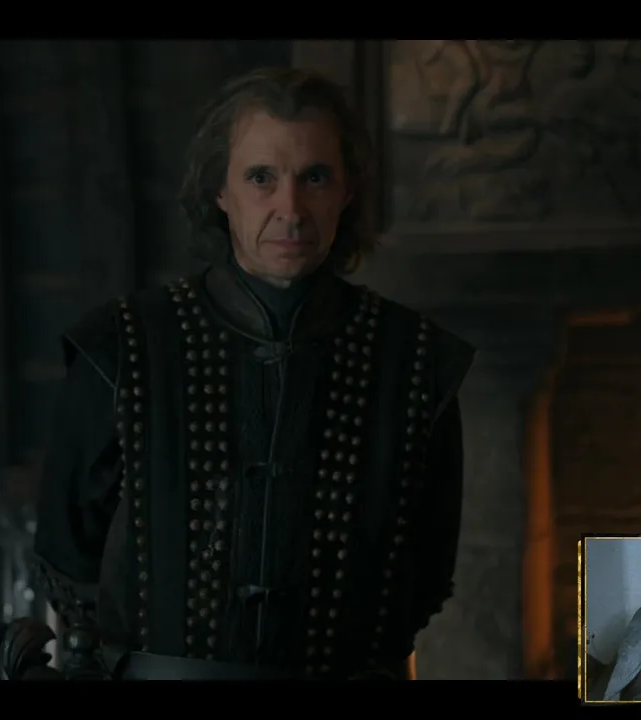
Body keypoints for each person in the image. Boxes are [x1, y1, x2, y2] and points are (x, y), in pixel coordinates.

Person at [30, 67, 475, 680]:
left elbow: (428, 565)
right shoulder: (123, 346)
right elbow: (67, 552)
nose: (289, 209)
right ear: (220, 189)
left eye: (314, 177)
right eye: (261, 177)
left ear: (347, 191)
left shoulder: (416, 360)